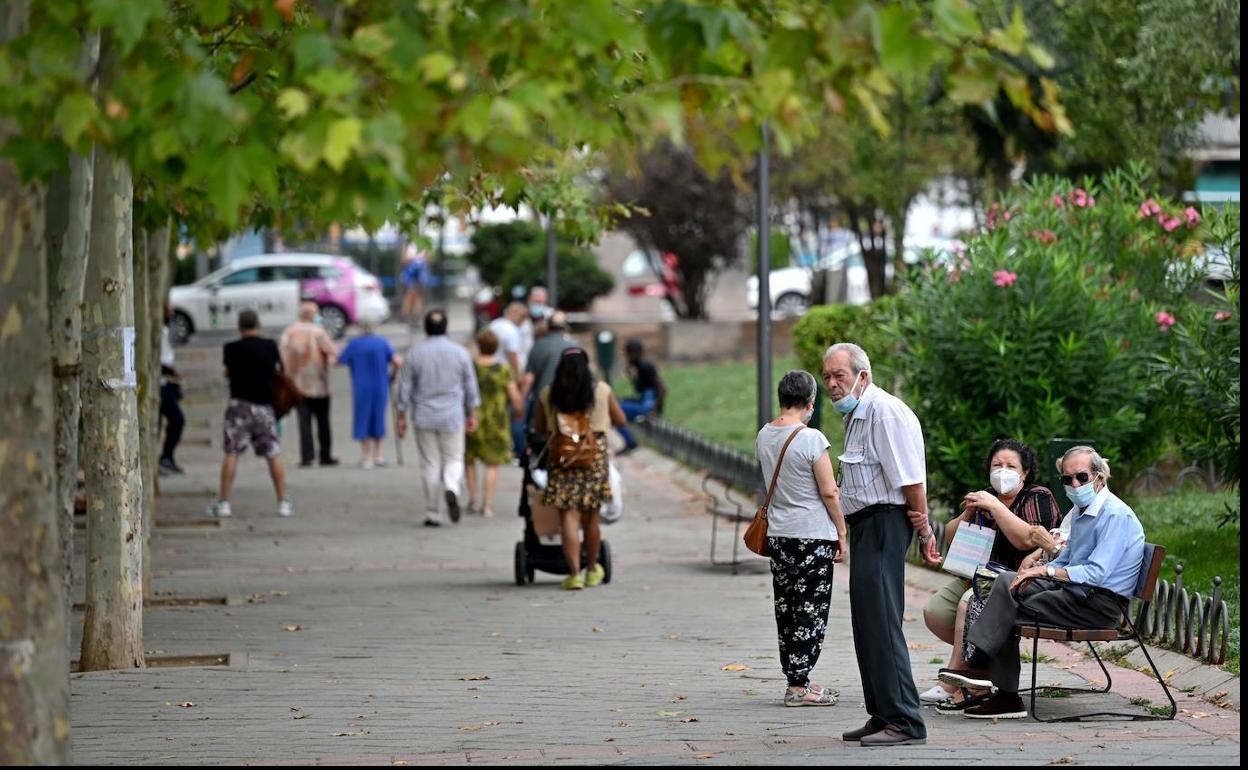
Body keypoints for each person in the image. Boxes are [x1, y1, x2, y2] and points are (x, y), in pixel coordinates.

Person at [941, 446, 1144, 720]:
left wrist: (1044, 574)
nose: (1074, 484)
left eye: (1081, 477)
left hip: (1097, 603)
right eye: (1067, 479)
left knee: (1007, 605)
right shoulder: (1082, 511)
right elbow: (1067, 559)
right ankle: (983, 675)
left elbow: (1096, 573)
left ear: (1100, 478)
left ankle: (990, 680)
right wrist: (1037, 569)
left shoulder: (1114, 515)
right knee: (1006, 581)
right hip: (1072, 593)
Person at [822, 342, 939, 747]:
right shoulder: (857, 414)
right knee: (867, 622)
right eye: (828, 377)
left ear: (863, 375)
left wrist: (924, 531)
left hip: (887, 523)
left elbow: (911, 480)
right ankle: (882, 712)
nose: (833, 385)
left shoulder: (885, 412)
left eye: (840, 375)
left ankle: (906, 721)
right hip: (866, 527)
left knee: (883, 622)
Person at [919, 439, 1061, 711]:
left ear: (1025, 473)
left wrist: (996, 507)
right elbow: (950, 535)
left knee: (969, 603)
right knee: (935, 612)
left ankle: (956, 681)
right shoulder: (986, 495)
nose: (1003, 470)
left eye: (1011, 466)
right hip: (981, 574)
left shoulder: (1037, 496)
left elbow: (1026, 540)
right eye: (997, 465)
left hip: (1021, 580)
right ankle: (982, 665)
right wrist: (970, 511)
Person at [756, 370, 848, 707]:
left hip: (779, 534)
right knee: (811, 610)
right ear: (810, 403)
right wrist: (841, 531)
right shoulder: (811, 439)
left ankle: (795, 677)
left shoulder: (764, 435)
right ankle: (799, 686)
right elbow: (829, 491)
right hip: (812, 536)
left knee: (787, 606)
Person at [533, 347, 626, 590]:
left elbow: (540, 427)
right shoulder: (601, 390)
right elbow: (621, 420)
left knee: (568, 517)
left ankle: (574, 574)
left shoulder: (549, 394)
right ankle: (592, 570)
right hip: (593, 458)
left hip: (562, 459)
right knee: (590, 518)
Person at [396, 309, 480, 527]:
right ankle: (452, 486)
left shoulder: (415, 353)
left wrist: (401, 416)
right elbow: (470, 385)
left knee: (430, 463)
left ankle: (433, 512)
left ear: (425, 328)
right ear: (446, 327)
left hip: (423, 415)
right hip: (452, 414)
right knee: (454, 458)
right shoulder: (460, 353)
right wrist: (473, 413)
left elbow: (404, 388)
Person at [208, 310, 292, 518]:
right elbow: (280, 369)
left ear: (239, 326)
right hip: (264, 407)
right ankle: (283, 502)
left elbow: (227, 373)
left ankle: (224, 502)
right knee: (273, 452)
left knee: (232, 452)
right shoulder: (270, 346)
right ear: (258, 323)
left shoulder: (231, 348)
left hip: (239, 406)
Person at [465, 328, 524, 516]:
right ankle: (487, 505)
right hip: (497, 422)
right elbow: (514, 397)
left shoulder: (471, 366)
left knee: (469, 461)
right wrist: (518, 410)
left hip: (472, 419)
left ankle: (473, 499)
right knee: (492, 465)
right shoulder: (503, 369)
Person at [280, 301, 339, 468]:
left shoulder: (289, 332)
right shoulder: (318, 332)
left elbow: (282, 354)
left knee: (303, 421)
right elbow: (332, 351)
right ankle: (325, 455)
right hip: (319, 383)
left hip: (297, 385)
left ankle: (307, 456)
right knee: (323, 421)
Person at [337, 321, 402, 469]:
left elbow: (339, 361)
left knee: (362, 418)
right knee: (378, 417)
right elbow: (398, 362)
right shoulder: (382, 342)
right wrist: (392, 376)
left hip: (361, 387)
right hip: (380, 385)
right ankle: (379, 455)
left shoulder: (353, 344)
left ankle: (366, 458)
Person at [615, 338, 666, 456]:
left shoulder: (646, 367)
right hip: (643, 401)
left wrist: (655, 410)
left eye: (627, 354)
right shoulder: (637, 367)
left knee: (615, 411)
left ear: (634, 353)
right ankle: (630, 440)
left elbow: (662, 389)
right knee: (618, 403)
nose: (626, 357)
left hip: (648, 406)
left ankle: (630, 442)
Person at [158, 303, 186, 475]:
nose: (172, 313)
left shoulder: (165, 331)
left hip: (166, 382)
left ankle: (166, 457)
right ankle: (165, 458)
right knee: (177, 419)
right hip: (160, 383)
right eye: (168, 311)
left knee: (176, 420)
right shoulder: (160, 332)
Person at [400, 245, 428, 324]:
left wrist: (422, 261)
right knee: (409, 296)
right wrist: (412, 260)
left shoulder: (423, 244)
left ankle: (416, 317)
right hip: (411, 275)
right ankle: (407, 316)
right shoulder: (408, 246)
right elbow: (404, 260)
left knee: (418, 297)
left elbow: (427, 259)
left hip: (420, 276)